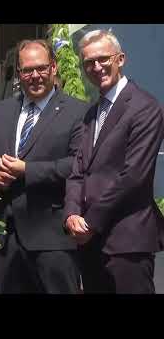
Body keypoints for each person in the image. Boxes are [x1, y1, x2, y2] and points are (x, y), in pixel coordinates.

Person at [0, 39, 88, 293]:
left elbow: (78, 164)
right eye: (27, 70)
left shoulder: (77, 111)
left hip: (53, 238)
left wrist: (27, 170)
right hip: (4, 240)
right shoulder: (1, 111)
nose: (35, 75)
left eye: (41, 68)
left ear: (54, 68)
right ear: (19, 73)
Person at [64, 30, 164, 294]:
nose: (96, 67)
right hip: (91, 244)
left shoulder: (145, 107)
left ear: (120, 59)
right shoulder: (91, 114)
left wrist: (91, 222)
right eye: (88, 62)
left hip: (127, 244)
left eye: (103, 59)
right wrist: (72, 213)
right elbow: (78, 171)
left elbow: (133, 176)